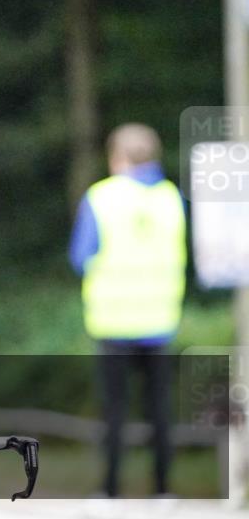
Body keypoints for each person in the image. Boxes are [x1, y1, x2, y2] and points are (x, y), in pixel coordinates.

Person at [69, 123, 187, 498]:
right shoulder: (172, 198)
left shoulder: (101, 197)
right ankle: (163, 491)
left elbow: (80, 257)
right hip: (160, 320)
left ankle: (110, 491)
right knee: (160, 410)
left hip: (113, 321)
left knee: (114, 411)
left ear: (117, 157)